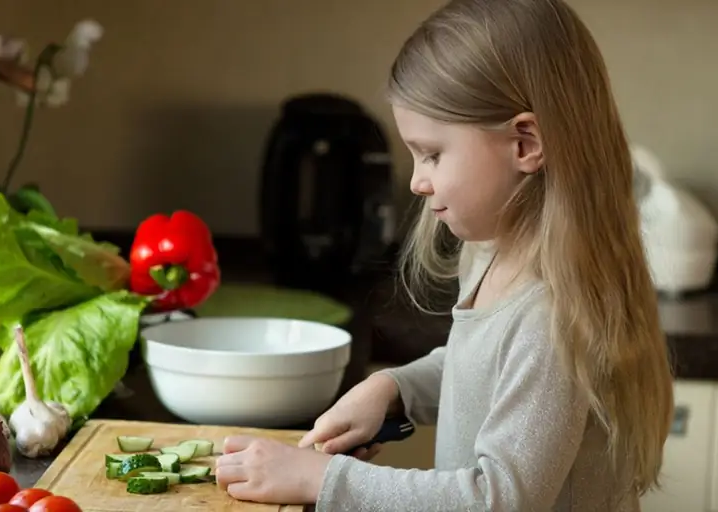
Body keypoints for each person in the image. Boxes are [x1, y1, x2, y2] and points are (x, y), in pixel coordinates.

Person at [213, 0, 675, 509]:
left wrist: (323, 480)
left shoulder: (552, 313)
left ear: (525, 143)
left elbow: (496, 500)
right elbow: (482, 369)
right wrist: (396, 386)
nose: (416, 180)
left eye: (432, 153)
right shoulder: (491, 255)